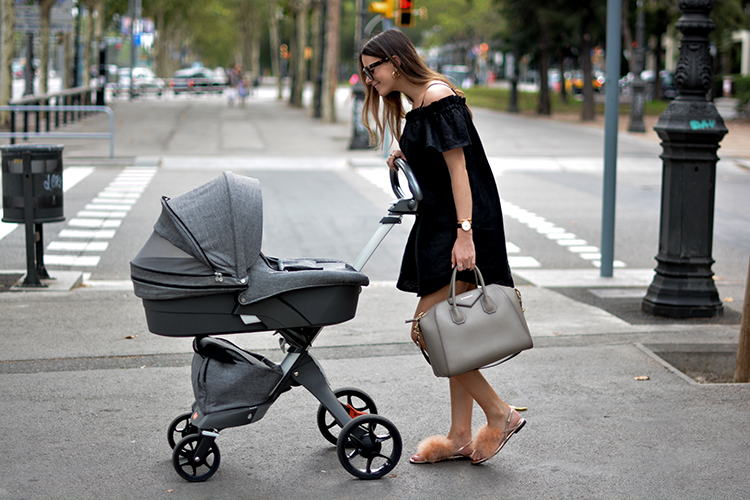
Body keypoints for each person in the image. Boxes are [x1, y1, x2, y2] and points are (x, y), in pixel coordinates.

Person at [359, 29, 525, 466]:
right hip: (441, 223)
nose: (367, 79)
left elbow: (460, 170)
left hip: (461, 225)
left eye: (371, 69)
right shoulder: (421, 103)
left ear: (394, 62)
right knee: (454, 335)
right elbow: (435, 156)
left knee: (427, 330)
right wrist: (404, 151)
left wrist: (465, 234)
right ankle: (457, 435)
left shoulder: (436, 96)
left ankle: (500, 413)